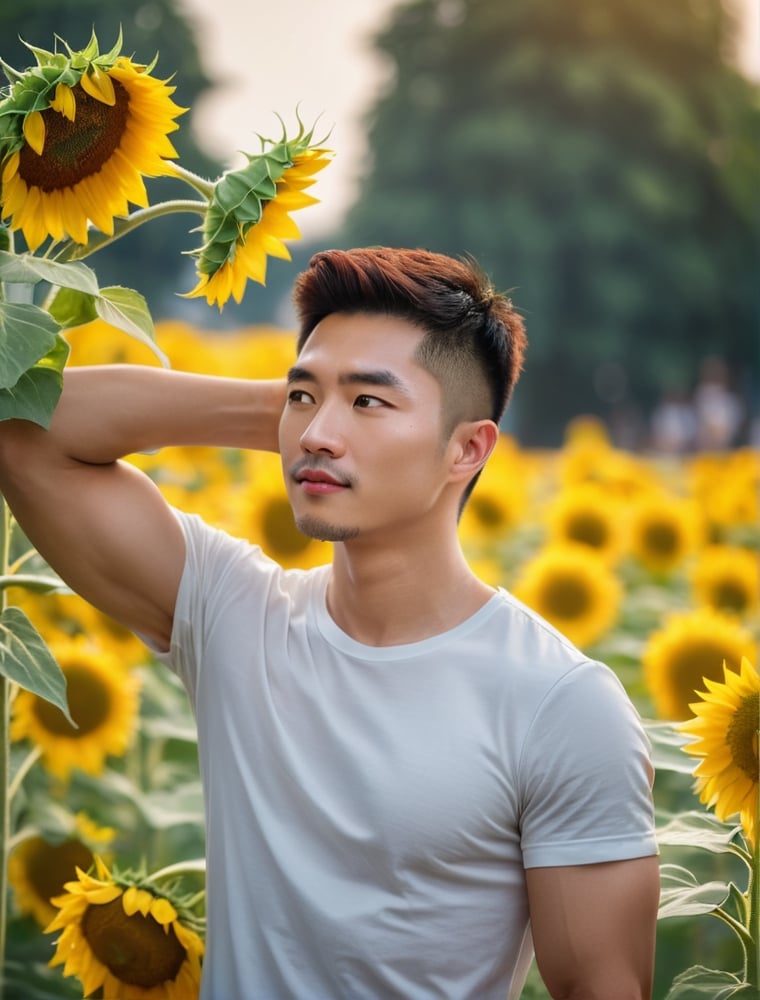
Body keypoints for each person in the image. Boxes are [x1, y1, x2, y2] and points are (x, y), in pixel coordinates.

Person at [0, 247, 659, 1000]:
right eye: (304, 395)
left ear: (469, 448)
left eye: (370, 400)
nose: (316, 434)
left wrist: (326, 416)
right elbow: (26, 433)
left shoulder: (559, 703)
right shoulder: (236, 614)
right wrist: (302, 412)